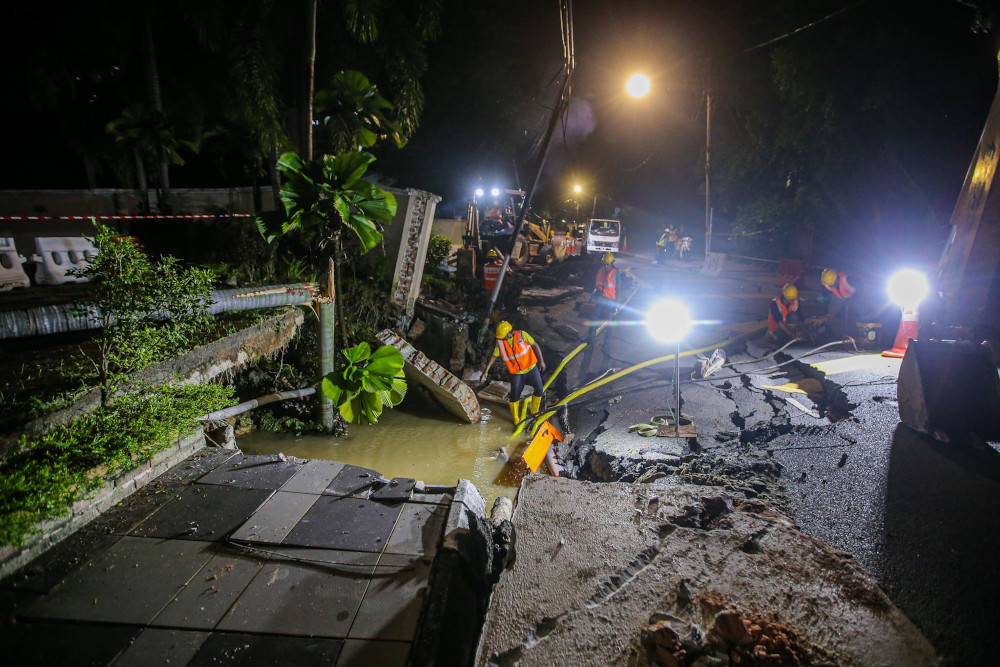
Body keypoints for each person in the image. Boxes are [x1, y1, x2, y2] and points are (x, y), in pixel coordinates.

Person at [483, 321, 547, 425]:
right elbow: (494, 356)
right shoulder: (501, 343)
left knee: (539, 389)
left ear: (509, 333)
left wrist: (542, 361)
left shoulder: (522, 335)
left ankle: (534, 412)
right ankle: (516, 418)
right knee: (514, 396)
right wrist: (486, 371)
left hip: (531, 368)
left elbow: (535, 345)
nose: (502, 339)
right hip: (517, 372)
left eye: (503, 337)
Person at [591, 252, 619, 353]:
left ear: (612, 263)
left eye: (608, 264)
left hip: (610, 300)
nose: (606, 266)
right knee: (594, 317)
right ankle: (591, 338)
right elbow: (597, 283)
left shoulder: (616, 273)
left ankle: (606, 343)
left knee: (610, 322)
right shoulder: (601, 270)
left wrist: (617, 304)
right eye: (605, 264)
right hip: (601, 298)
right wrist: (594, 293)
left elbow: (618, 289)